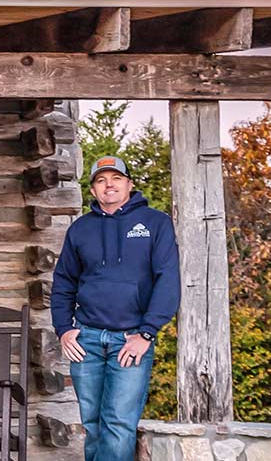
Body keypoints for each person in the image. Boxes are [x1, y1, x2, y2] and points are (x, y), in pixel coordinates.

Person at [48, 156, 181, 461]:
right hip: (87, 341)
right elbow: (63, 282)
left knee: (119, 424)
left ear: (129, 184)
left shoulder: (155, 223)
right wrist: (65, 330)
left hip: (131, 339)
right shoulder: (80, 229)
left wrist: (146, 334)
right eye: (101, 180)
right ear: (93, 190)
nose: (109, 185)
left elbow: (168, 281)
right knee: (93, 426)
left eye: (116, 178)